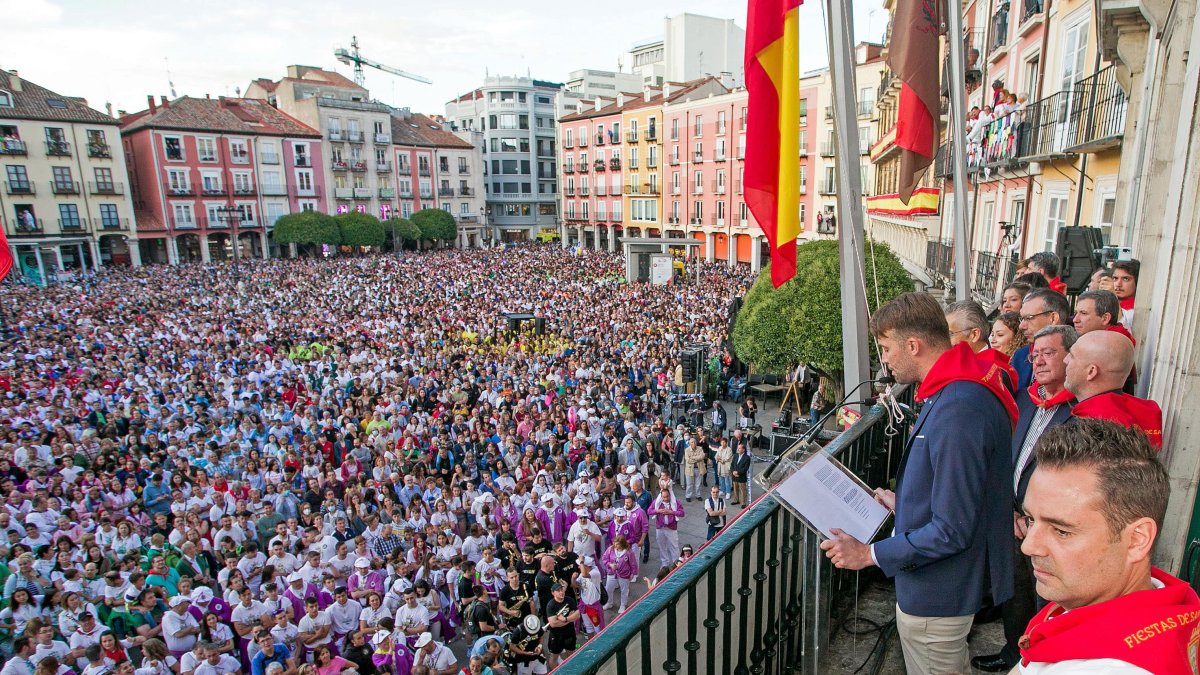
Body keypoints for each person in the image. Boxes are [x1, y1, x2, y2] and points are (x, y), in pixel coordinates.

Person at [820, 292, 1016, 675]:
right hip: (942, 590)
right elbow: (958, 490)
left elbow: (952, 530)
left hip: (939, 596)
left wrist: (868, 555)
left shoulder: (959, 405)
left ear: (913, 345)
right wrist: (906, 502)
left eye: (886, 348)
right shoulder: (958, 389)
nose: (885, 359)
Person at [1016, 419, 1200, 673]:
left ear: (1137, 539)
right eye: (1031, 519)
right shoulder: (1156, 599)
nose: (1029, 546)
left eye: (1061, 531)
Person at [973, 324, 1078, 673]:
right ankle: (1012, 651)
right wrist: (1010, 512)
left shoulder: (1079, 412)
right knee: (1015, 591)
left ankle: (1040, 660)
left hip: (1044, 525)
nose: (1040, 362)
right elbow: (1005, 459)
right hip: (1013, 518)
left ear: (1072, 357)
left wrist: (1034, 517)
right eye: (1035, 355)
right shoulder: (1026, 399)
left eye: (1050, 353)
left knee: (1044, 599)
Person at [1063, 331, 1163, 448]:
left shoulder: (1094, 431)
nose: (1065, 360)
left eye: (1072, 355)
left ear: (1091, 372)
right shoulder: (1145, 412)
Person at [1015, 289, 1072, 391]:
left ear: (1053, 318)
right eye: (1022, 319)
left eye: (1029, 318)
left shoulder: (1077, 357)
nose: (1021, 326)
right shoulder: (1020, 356)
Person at [543, 582, 579, 669]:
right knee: (554, 657)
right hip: (556, 636)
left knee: (571, 653)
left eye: (562, 589)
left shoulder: (570, 600)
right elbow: (553, 624)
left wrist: (565, 619)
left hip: (569, 633)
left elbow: (577, 615)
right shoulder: (550, 605)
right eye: (558, 590)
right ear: (553, 593)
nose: (561, 592)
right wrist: (570, 618)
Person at [1111, 258, 1139, 331]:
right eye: (1115, 278)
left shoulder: (1136, 310)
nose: (1118, 284)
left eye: (1125, 279)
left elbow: (1122, 326)